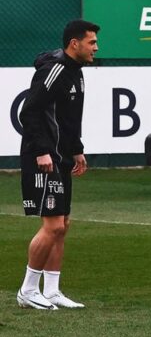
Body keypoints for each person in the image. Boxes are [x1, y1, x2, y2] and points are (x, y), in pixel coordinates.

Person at [16, 20, 99, 310]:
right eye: (91, 42)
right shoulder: (55, 70)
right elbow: (30, 111)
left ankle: (51, 291)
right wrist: (42, 151)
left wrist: (76, 150)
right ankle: (28, 290)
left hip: (61, 158)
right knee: (52, 226)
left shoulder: (77, 72)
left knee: (62, 225)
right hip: (43, 159)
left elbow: (68, 119)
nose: (96, 48)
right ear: (74, 43)